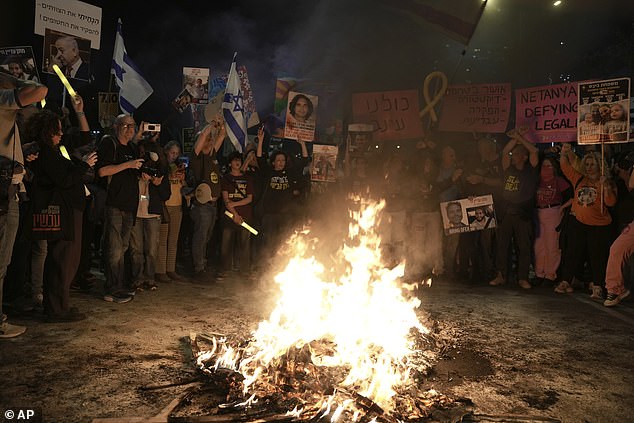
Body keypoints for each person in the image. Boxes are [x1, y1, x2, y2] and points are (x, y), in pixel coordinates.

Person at [26, 99, 97, 322]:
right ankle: (56, 309)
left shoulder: (53, 152)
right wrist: (84, 165)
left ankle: (60, 304)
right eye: (57, 130)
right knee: (62, 259)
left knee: (66, 259)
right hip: (62, 211)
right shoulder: (47, 153)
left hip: (68, 209)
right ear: (48, 131)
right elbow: (65, 179)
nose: (60, 133)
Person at [0, 72, 47, 338]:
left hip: (10, 190)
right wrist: (14, 80)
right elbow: (40, 90)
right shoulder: (2, 98)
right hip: (3, 195)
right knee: (1, 262)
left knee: (3, 261)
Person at [555, 145, 617, 299]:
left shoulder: (607, 182)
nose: (589, 168)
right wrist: (564, 152)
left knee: (597, 257)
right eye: (587, 164)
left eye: (592, 164)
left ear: (600, 165)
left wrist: (606, 187)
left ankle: (597, 286)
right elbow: (565, 167)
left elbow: (610, 203)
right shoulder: (579, 178)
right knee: (572, 253)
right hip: (579, 223)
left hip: (599, 226)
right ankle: (565, 281)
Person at [96, 115, 144, 303]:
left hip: (130, 205)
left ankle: (119, 285)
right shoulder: (109, 143)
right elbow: (102, 171)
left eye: (132, 125)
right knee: (114, 248)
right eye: (125, 125)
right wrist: (128, 165)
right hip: (114, 203)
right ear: (116, 127)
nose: (129, 129)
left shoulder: (132, 148)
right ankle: (112, 289)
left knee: (123, 247)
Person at [489, 127, 539, 289]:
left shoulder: (530, 170)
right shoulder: (508, 169)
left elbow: (533, 150)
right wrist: (515, 139)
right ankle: (501, 275)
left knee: (523, 246)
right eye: (514, 154)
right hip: (507, 213)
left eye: (517, 154)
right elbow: (505, 152)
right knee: (502, 246)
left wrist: (520, 139)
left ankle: (523, 277)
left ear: (524, 157)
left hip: (522, 214)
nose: (513, 156)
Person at [255, 126, 308, 261]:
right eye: (278, 160)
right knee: (267, 242)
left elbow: (303, 161)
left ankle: (279, 265)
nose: (280, 163)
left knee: (283, 242)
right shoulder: (269, 172)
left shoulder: (290, 174)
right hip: (269, 215)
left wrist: (302, 144)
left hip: (285, 215)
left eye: (283, 161)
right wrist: (260, 140)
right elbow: (260, 158)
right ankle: (263, 266)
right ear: (273, 162)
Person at [129, 141, 170, 291]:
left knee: (152, 250)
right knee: (136, 249)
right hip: (137, 214)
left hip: (152, 214)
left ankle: (150, 278)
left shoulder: (161, 171)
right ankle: (137, 279)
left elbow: (166, 194)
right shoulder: (134, 169)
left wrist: (155, 183)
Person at [189, 120, 225, 280]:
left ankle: (202, 265)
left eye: (211, 140)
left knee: (207, 236)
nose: (210, 141)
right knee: (201, 237)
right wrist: (211, 125)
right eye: (207, 140)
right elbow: (203, 135)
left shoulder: (213, 156)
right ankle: (198, 269)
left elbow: (222, 135)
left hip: (212, 205)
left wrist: (221, 125)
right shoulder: (197, 158)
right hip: (202, 205)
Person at [534, 157, 571, 286]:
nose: (546, 169)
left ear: (554, 168)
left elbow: (571, 196)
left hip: (553, 212)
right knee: (539, 246)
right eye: (544, 166)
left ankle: (550, 274)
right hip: (539, 212)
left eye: (549, 166)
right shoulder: (538, 181)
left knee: (552, 245)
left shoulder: (558, 181)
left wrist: (562, 208)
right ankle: (539, 273)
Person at [155, 141, 187, 282]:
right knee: (162, 240)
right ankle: (160, 270)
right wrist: (169, 174)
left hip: (177, 205)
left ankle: (171, 269)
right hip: (165, 206)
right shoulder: (162, 166)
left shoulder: (177, 167)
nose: (174, 156)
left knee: (173, 240)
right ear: (166, 151)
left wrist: (182, 179)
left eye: (176, 153)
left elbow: (183, 186)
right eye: (172, 152)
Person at [221, 151, 254, 275]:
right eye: (234, 160)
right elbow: (226, 199)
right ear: (230, 163)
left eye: (239, 160)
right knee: (226, 244)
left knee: (245, 245)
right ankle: (225, 269)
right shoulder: (226, 179)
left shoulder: (247, 179)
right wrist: (234, 214)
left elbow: (250, 198)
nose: (237, 162)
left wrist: (234, 205)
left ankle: (244, 270)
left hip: (245, 216)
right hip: (229, 217)